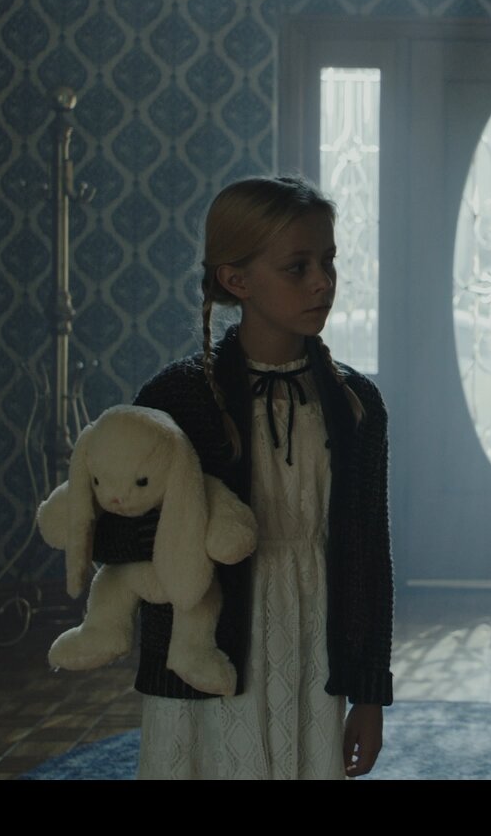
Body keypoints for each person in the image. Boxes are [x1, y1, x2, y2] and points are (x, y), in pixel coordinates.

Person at [98, 174, 393, 779]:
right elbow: (118, 533)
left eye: (329, 261)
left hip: (314, 639)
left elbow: (369, 554)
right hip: (209, 643)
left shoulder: (355, 403)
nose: (322, 281)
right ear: (236, 279)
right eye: (297, 267)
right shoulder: (177, 398)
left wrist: (369, 694)